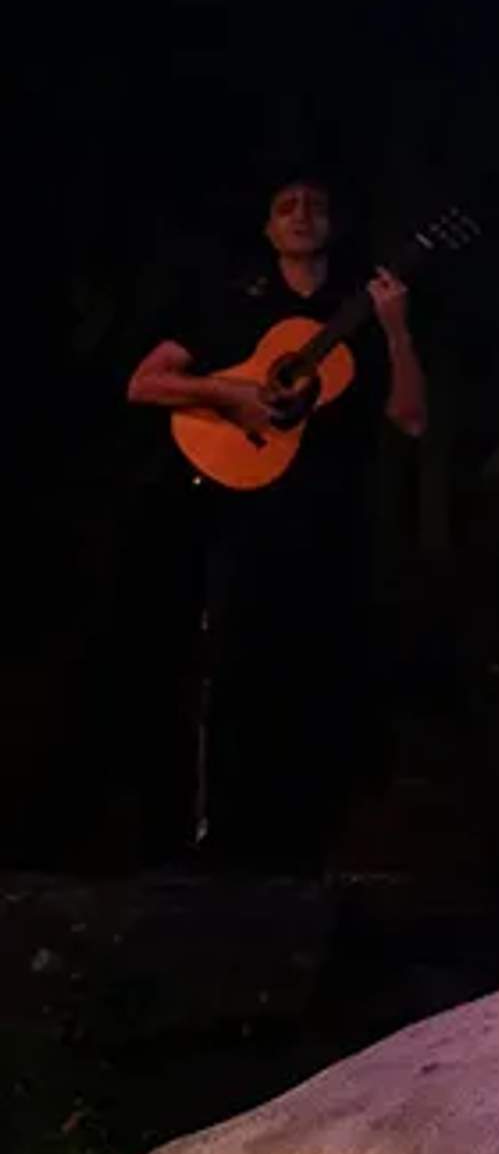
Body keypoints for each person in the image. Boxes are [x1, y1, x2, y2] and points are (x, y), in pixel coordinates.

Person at [123, 181, 428, 866]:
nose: (301, 215)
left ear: (334, 225)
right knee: (236, 676)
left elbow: (410, 418)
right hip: (245, 521)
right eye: (286, 206)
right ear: (266, 230)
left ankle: (313, 844)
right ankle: (226, 842)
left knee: (323, 684)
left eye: (315, 205)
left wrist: (398, 328)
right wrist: (230, 393)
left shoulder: (359, 312)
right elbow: (144, 383)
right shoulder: (233, 305)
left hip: (332, 529)